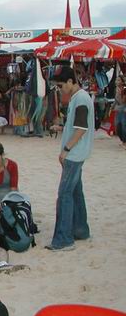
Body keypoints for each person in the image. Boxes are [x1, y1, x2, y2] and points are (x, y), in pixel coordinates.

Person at [47, 66, 93, 251]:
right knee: (75, 192)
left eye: (60, 85)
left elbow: (81, 129)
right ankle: (80, 230)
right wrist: (62, 128)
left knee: (65, 194)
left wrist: (66, 150)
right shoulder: (79, 97)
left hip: (74, 154)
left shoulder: (81, 98)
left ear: (70, 82)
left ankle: (64, 239)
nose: (60, 89)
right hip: (77, 153)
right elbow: (77, 125)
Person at [114, 75, 126, 148]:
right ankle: (123, 140)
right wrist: (112, 107)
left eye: (118, 80)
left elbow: (123, 100)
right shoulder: (116, 89)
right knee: (117, 125)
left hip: (123, 109)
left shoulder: (124, 89)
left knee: (124, 125)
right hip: (118, 109)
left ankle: (124, 142)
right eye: (116, 80)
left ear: (122, 81)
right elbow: (116, 100)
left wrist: (120, 93)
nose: (116, 81)